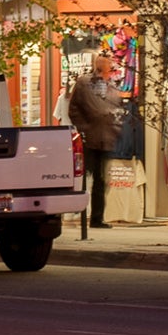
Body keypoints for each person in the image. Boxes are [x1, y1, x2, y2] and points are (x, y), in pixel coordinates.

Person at [67, 52, 123, 228]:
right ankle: (79, 213)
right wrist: (84, 128)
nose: (108, 68)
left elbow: (116, 110)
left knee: (100, 180)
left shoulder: (111, 86)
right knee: (85, 178)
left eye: (108, 65)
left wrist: (115, 128)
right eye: (105, 65)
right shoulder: (84, 83)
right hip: (89, 138)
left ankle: (97, 218)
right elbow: (74, 109)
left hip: (105, 139)